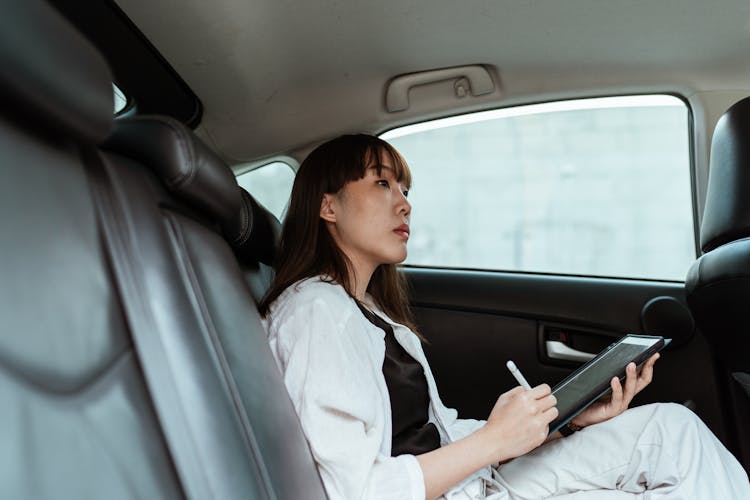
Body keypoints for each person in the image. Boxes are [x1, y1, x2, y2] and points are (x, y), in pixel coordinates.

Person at [260, 134, 749, 500]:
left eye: (405, 188)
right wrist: (494, 440)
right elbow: (355, 490)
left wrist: (562, 424)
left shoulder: (368, 313)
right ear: (327, 205)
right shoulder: (316, 313)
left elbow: (439, 434)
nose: (404, 202)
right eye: (382, 183)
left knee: (671, 428)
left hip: (474, 481)